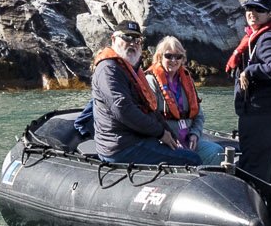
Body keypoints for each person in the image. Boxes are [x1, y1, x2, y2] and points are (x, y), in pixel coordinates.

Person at [85, 21, 193, 164]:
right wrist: (160, 133)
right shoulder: (108, 69)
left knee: (186, 153)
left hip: (136, 138)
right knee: (191, 159)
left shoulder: (132, 70)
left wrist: (170, 135)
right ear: (113, 39)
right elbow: (123, 109)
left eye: (137, 40)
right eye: (127, 37)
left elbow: (150, 109)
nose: (132, 43)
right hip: (120, 146)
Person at [224, 0, 271, 182]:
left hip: (262, 112)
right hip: (270, 111)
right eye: (249, 8)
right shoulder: (259, 36)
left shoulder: (268, 37)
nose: (252, 13)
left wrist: (250, 71)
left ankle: (254, 202)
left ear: (269, 14)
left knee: (254, 168)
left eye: (259, 10)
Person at [146, 37, 204, 155]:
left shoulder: (187, 80)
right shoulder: (151, 81)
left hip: (190, 141)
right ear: (159, 56)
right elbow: (149, 117)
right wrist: (166, 137)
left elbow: (199, 115)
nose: (174, 60)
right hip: (165, 143)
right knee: (189, 158)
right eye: (168, 56)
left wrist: (195, 134)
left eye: (178, 56)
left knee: (216, 152)